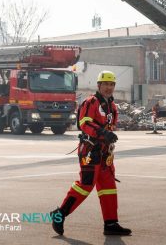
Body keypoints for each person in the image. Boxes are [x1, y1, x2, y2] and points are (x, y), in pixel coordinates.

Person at [50, 71, 131, 236]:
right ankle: (59, 214)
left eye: (112, 84)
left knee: (108, 188)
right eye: (106, 84)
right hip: (90, 152)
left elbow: (111, 126)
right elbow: (84, 123)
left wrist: (108, 136)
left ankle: (111, 223)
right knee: (85, 185)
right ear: (99, 85)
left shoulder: (112, 107)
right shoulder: (90, 102)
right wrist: (103, 133)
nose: (109, 88)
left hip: (105, 155)